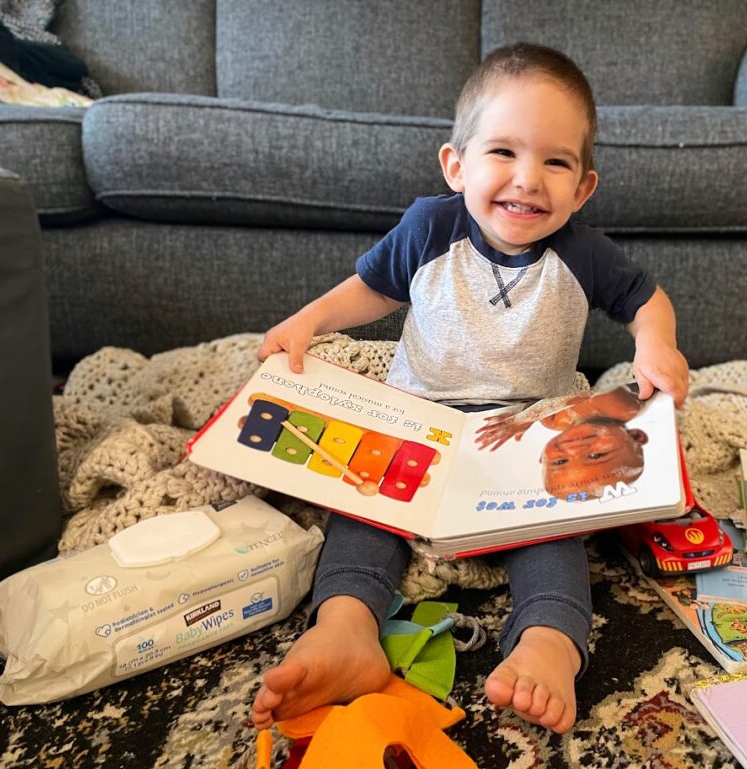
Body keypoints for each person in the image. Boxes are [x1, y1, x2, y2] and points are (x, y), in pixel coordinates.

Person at [251, 42, 689, 735]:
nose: (528, 179)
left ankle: (550, 640)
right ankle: (346, 628)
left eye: (555, 161)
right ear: (456, 166)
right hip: (418, 419)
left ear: (582, 188)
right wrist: (306, 321)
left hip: (531, 432)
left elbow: (647, 299)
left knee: (554, 536)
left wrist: (654, 343)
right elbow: (371, 287)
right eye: (503, 153)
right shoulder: (430, 226)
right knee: (363, 513)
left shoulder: (583, 252)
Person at [475, 385, 650, 500]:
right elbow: (579, 393)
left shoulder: (551, 421)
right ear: (635, 436)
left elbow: (539, 395)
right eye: (596, 455)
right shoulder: (624, 407)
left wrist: (520, 412)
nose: (574, 451)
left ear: (543, 457)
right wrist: (526, 417)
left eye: (560, 461)